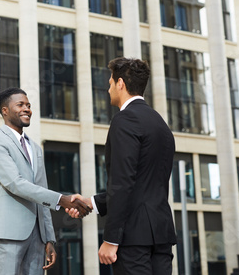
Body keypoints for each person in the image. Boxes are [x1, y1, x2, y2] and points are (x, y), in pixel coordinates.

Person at [67, 57, 177, 274]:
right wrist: (91, 202)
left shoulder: (125, 120)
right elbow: (142, 184)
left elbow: (123, 181)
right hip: (161, 235)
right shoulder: (160, 124)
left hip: (134, 238)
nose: (108, 89)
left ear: (120, 83)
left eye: (109, 83)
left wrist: (111, 239)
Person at [0, 87, 92, 275]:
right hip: (9, 233)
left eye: (28, 105)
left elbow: (41, 191)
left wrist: (49, 239)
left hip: (38, 237)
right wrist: (62, 199)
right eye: (20, 105)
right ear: (5, 110)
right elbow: (15, 184)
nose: (27, 109)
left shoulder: (35, 148)